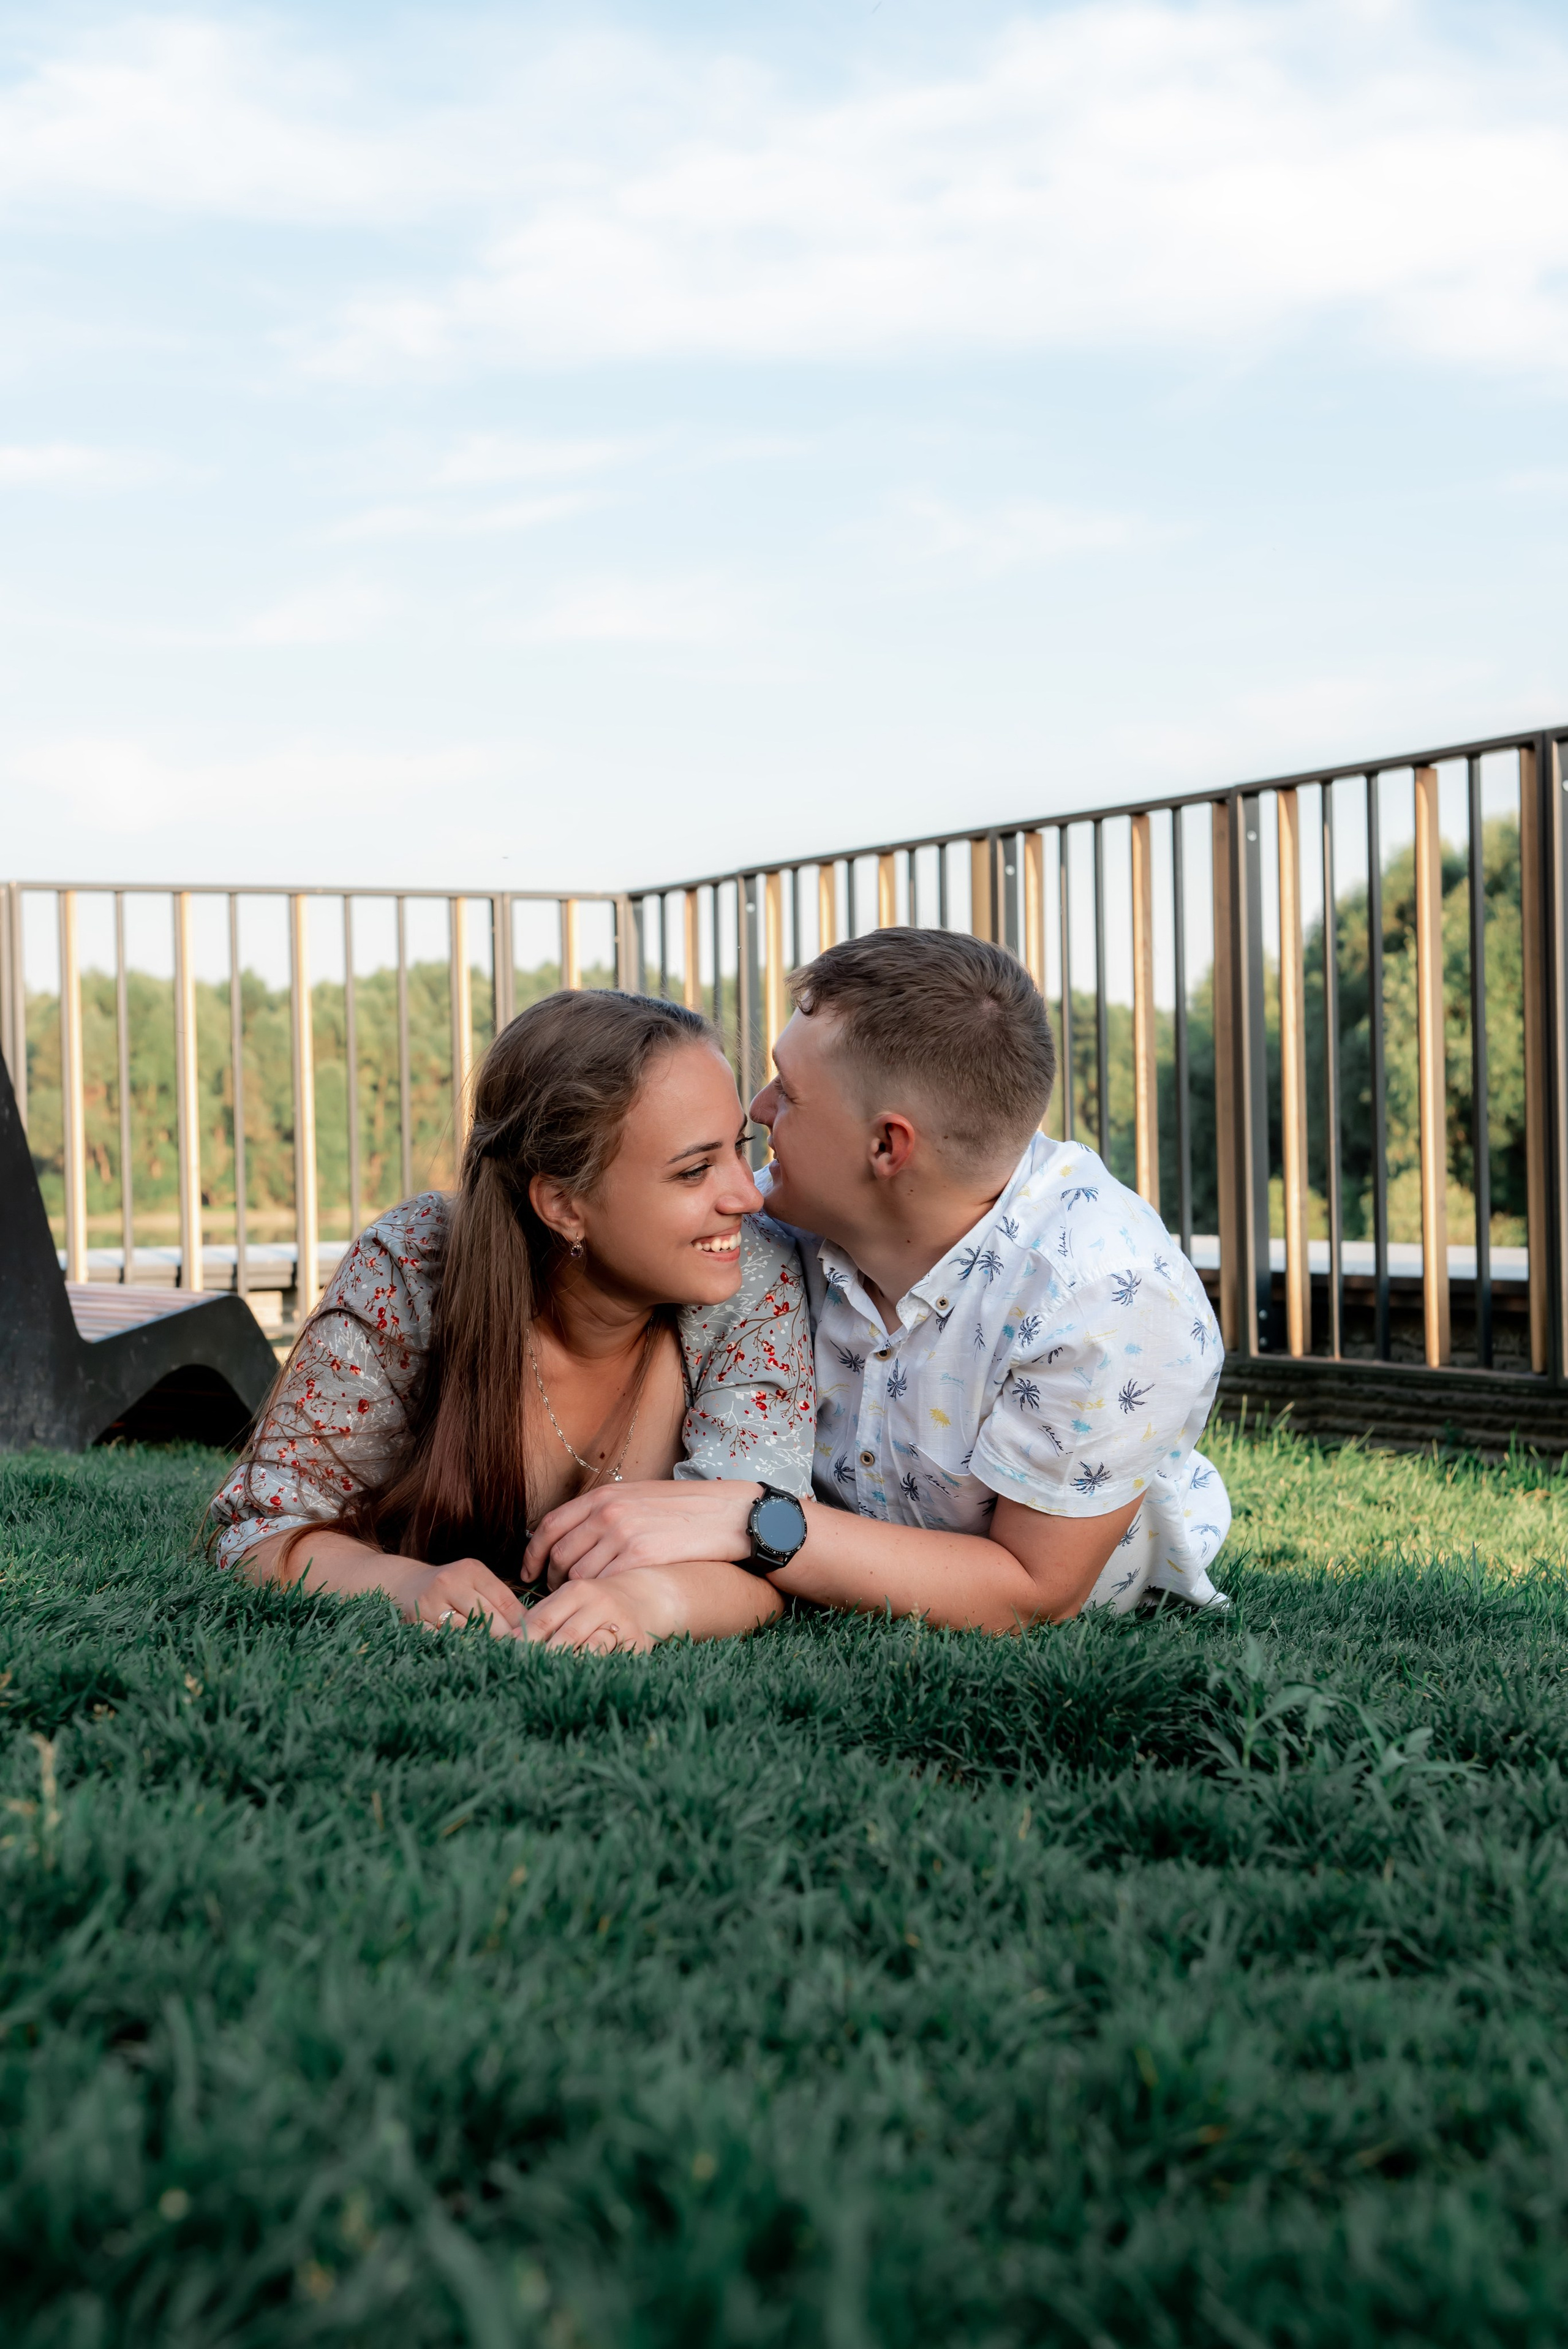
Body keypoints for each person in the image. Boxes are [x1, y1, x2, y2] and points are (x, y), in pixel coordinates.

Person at [526, 928, 1230, 1630]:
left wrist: (750, 1517)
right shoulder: (765, 1222)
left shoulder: (1105, 1296)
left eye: (790, 1093)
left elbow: (1033, 1593)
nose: (759, 1109)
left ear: (887, 1146)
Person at [206, 989, 816, 1654]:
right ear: (563, 1204)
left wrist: (647, 1600)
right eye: (696, 1170)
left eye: (739, 1147)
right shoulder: (412, 1265)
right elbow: (260, 1527)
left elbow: (763, 1543)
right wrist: (399, 1583)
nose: (746, 1193)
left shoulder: (755, 1271)